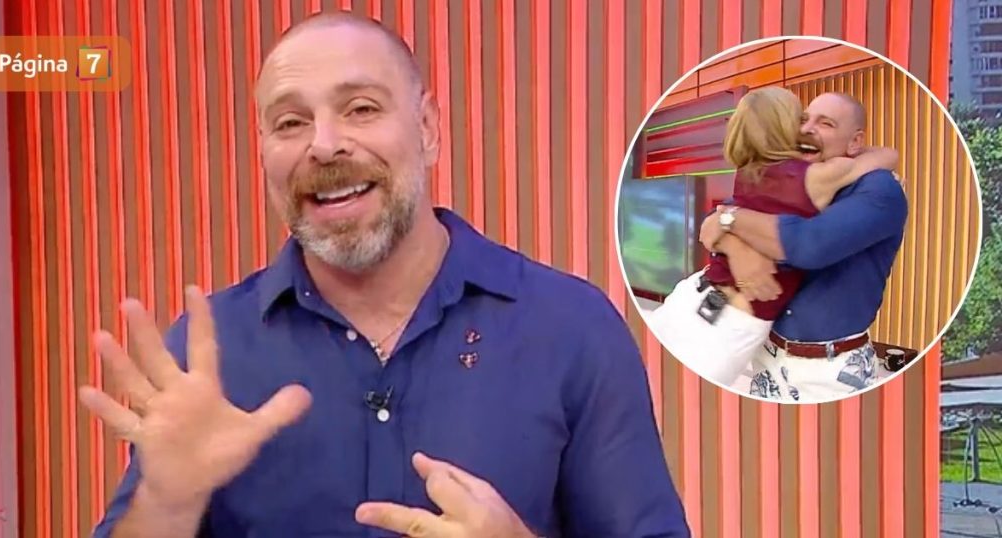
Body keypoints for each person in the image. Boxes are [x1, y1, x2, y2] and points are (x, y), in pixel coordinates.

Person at [80, 11, 689, 538]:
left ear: (427, 129)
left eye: (361, 109)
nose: (324, 145)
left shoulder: (570, 327)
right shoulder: (208, 352)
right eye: (290, 122)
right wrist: (166, 503)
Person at [645, 87, 898, 389]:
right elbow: (714, 223)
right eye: (802, 120)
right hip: (715, 312)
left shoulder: (751, 172)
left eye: (825, 123)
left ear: (855, 140)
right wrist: (733, 242)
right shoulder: (812, 176)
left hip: (723, 315)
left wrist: (729, 225)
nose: (807, 129)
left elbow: (803, 244)